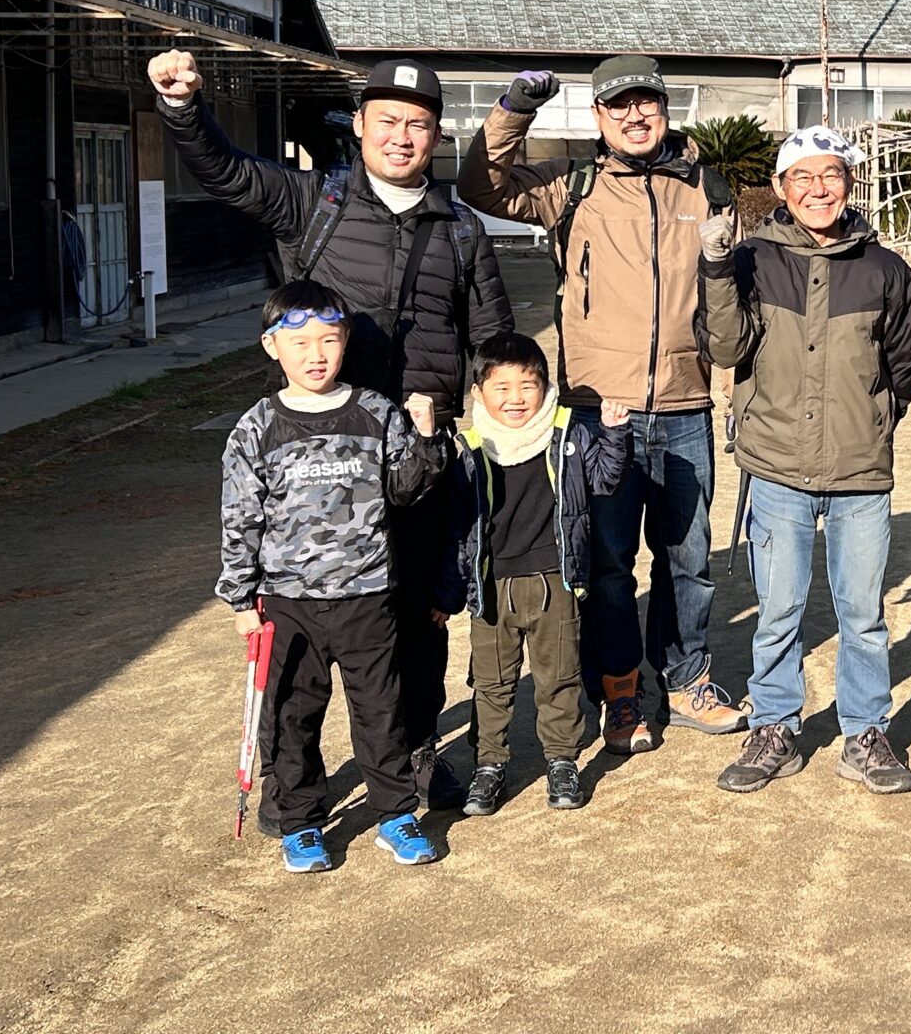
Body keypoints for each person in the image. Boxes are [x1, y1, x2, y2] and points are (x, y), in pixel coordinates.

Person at [152, 50, 512, 816]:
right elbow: (224, 171)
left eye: (418, 124)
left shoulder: (461, 229)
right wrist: (184, 108)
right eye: (387, 121)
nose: (402, 136)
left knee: (419, 619)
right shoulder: (312, 200)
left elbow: (492, 338)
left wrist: (495, 431)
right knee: (303, 636)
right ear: (359, 125)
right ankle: (294, 786)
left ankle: (415, 754)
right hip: (317, 461)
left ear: (437, 135)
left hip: (419, 453)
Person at [455, 58, 744, 753]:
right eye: (620, 105)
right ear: (598, 117)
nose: (635, 116)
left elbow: (729, 297)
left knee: (688, 560)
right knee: (608, 565)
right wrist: (513, 109)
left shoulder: (706, 188)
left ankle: (687, 678)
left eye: (647, 102)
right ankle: (618, 690)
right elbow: (480, 185)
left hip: (684, 405)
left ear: (666, 109)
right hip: (596, 407)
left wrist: (734, 387)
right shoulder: (572, 184)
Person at [697, 127, 911, 796]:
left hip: (860, 474)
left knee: (863, 616)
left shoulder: (885, 270)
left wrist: (873, 420)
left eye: (831, 175)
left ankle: (865, 733)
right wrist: (717, 268)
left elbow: (905, 361)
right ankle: (774, 727)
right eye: (802, 176)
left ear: (850, 184)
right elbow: (725, 347)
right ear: (780, 187)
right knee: (779, 611)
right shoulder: (750, 260)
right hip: (776, 468)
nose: (818, 189)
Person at [217, 279, 450, 872]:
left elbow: (406, 490)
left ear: (346, 341)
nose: (315, 354)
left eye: (328, 339)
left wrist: (427, 438)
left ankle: (395, 813)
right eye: (299, 342)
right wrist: (241, 598)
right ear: (272, 347)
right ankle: (299, 820)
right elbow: (240, 517)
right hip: (287, 602)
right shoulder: (256, 428)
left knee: (381, 710)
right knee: (291, 714)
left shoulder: (374, 412)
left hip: (367, 596)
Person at [436, 333, 632, 815]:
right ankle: (489, 764)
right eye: (501, 387)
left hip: (555, 580)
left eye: (527, 385)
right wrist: (448, 592)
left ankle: (562, 760)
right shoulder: (470, 448)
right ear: (478, 392)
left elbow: (604, 480)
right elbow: (455, 528)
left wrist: (614, 434)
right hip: (492, 586)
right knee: (491, 684)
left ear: (545, 387)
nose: (516, 398)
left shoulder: (566, 435)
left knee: (558, 679)